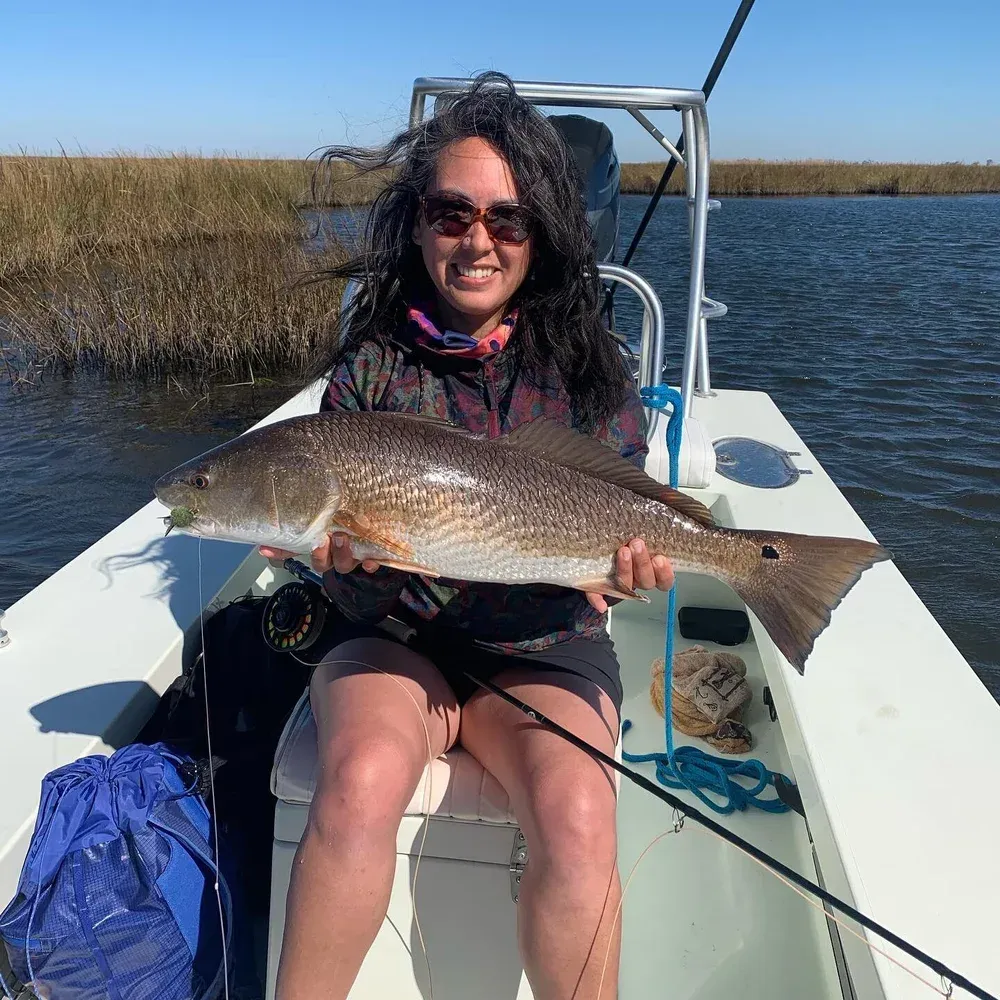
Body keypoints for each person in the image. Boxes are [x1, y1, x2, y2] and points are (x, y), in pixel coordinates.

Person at [262, 71, 674, 1000]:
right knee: (361, 779)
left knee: (577, 819)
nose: (478, 240)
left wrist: (628, 565)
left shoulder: (587, 366)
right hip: (397, 642)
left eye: (508, 218)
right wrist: (348, 568)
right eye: (452, 213)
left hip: (543, 647)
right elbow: (356, 592)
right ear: (417, 225)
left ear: (543, 233)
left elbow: (617, 511)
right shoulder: (367, 371)